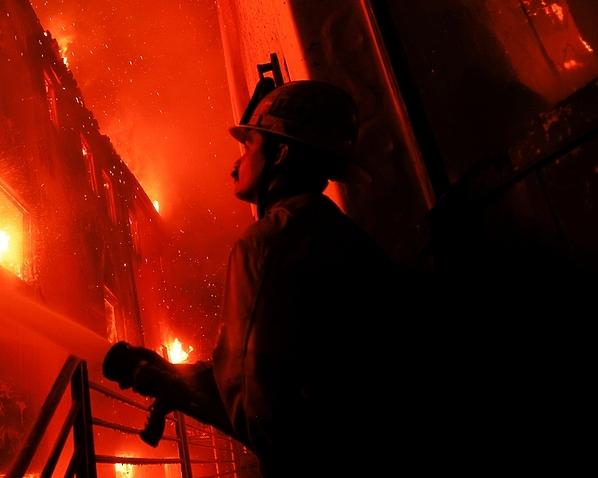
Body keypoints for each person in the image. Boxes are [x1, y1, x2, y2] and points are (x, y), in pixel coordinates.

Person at [108, 80, 414, 476]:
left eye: (249, 146)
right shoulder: (340, 235)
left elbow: (267, 422)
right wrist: (178, 374)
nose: (235, 164)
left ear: (281, 152)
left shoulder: (267, 245)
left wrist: (185, 395)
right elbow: (290, 369)